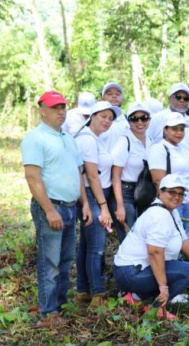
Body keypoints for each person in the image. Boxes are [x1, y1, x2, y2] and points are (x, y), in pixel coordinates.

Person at [23, 91, 92, 326]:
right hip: (51, 207)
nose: (60, 111)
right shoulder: (36, 138)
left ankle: (58, 306)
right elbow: (33, 178)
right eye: (54, 107)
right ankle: (48, 313)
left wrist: (85, 204)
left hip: (71, 207)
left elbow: (78, 173)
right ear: (42, 110)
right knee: (50, 261)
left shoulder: (67, 138)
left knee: (65, 260)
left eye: (63, 106)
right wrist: (49, 210)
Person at [113, 174, 189, 320]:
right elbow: (155, 253)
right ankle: (155, 307)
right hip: (131, 271)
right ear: (160, 192)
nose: (177, 197)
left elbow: (184, 240)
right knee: (186, 271)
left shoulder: (171, 211)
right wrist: (163, 287)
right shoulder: (159, 215)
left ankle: (135, 297)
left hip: (138, 269)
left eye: (180, 194)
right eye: (172, 192)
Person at [74, 101, 121, 307]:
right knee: (97, 246)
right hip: (93, 197)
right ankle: (98, 294)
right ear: (92, 116)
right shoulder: (87, 141)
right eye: (103, 116)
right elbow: (92, 176)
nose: (107, 121)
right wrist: (103, 207)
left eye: (110, 118)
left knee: (86, 245)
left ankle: (82, 290)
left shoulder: (96, 139)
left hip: (95, 196)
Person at [111, 103, 153, 241]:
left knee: (143, 235)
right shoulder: (125, 141)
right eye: (135, 118)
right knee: (130, 238)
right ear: (129, 121)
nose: (140, 122)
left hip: (144, 193)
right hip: (126, 193)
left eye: (144, 118)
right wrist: (120, 206)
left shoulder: (151, 141)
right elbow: (116, 176)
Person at [148, 113, 189, 227]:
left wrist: (188, 205)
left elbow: (186, 179)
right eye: (174, 129)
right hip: (170, 202)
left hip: (184, 200)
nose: (179, 133)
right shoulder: (159, 148)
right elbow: (158, 180)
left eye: (182, 129)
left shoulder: (184, 149)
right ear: (165, 130)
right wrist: (169, 207)